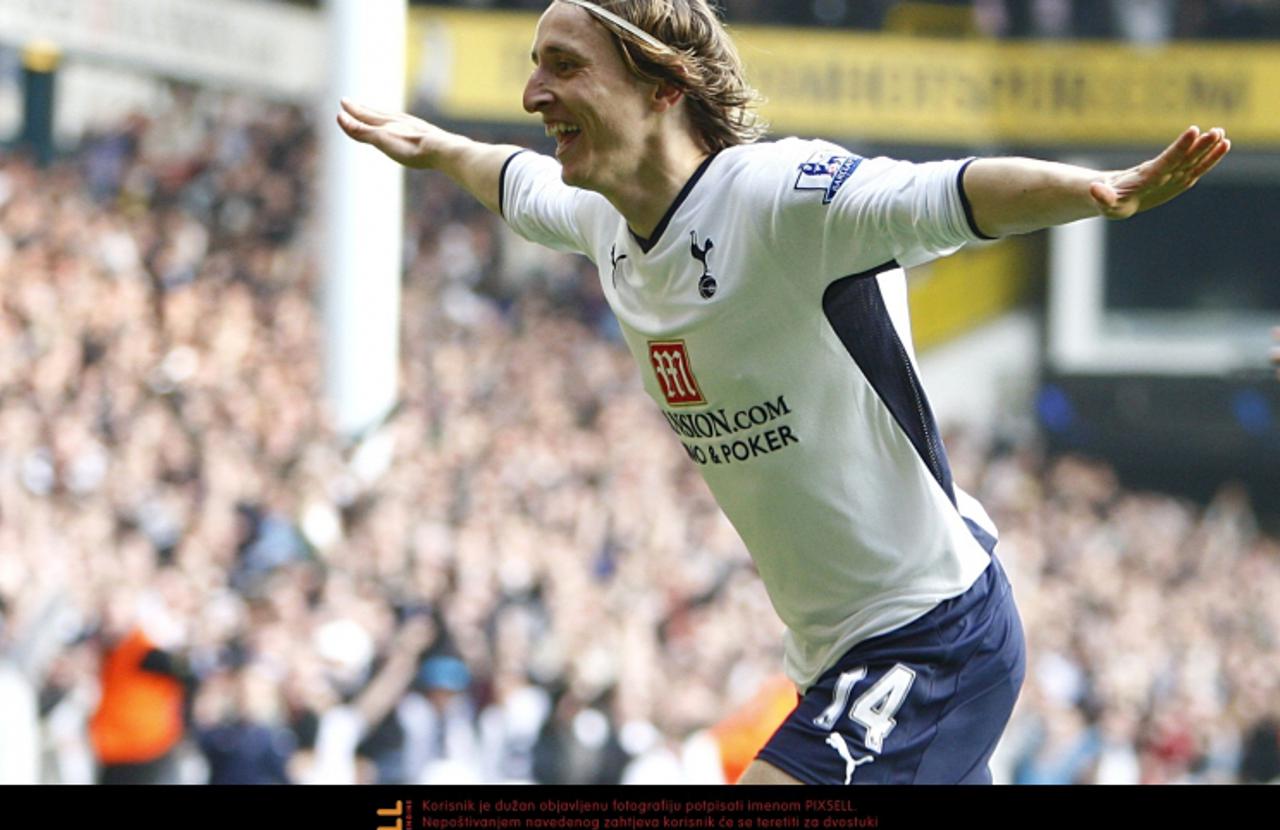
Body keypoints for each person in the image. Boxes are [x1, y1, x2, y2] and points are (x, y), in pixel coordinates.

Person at [337, 0, 1230, 784]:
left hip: (931, 632)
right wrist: (428, 145)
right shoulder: (600, 219)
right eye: (535, 65)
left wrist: (1096, 191)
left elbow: (948, 195)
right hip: (834, 651)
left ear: (663, 86)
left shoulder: (779, 199)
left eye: (564, 65)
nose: (532, 93)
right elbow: (506, 177)